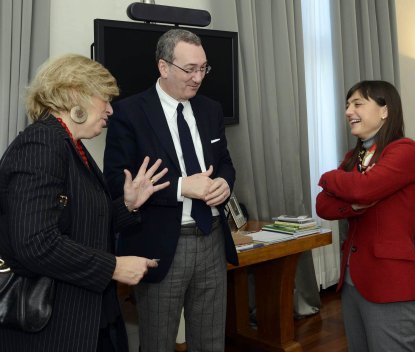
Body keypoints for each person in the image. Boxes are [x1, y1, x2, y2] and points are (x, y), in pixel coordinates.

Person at [0, 54, 170, 351]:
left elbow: (81, 225)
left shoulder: (72, 145)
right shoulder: (40, 144)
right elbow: (36, 243)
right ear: (75, 93)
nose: (110, 109)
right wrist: (113, 267)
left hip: (92, 316)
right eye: (103, 98)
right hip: (54, 327)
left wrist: (128, 205)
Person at [103, 28, 238, 351]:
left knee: (211, 342)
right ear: (164, 67)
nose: (198, 78)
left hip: (212, 238)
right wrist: (180, 187)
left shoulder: (210, 109)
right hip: (161, 245)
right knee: (158, 342)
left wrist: (224, 184)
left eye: (203, 68)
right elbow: (115, 181)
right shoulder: (129, 113)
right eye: (189, 69)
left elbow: (225, 164)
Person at [316, 80, 415, 351]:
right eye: (347, 105)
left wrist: (328, 177)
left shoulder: (404, 150)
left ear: (384, 111)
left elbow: (364, 189)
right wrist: (352, 205)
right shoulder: (354, 156)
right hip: (353, 280)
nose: (348, 111)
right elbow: (322, 206)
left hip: (389, 280)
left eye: (357, 104)